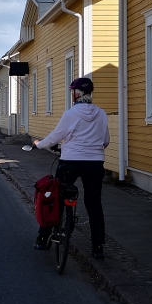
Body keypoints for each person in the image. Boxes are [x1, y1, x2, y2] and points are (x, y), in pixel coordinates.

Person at [32, 77, 110, 259]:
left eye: (72, 92)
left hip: (70, 162)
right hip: (95, 163)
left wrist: (39, 144)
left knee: (55, 197)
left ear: (77, 93)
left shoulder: (71, 114)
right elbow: (105, 141)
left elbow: (55, 137)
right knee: (94, 204)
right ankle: (98, 247)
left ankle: (42, 239)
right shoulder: (101, 114)